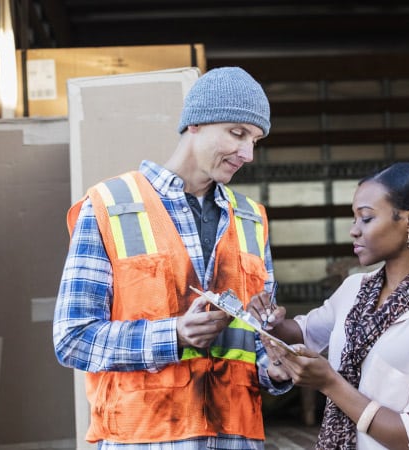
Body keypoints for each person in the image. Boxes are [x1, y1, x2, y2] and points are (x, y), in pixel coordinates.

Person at [53, 66, 292, 449]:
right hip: (143, 438)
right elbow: (73, 339)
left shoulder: (250, 219)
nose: (247, 153)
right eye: (237, 133)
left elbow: (254, 342)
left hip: (235, 438)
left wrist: (275, 367)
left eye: (256, 140)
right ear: (195, 124)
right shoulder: (111, 205)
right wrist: (174, 334)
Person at [249, 162, 409, 450]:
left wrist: (331, 383)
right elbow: (303, 333)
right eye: (354, 219)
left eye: (366, 218)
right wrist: (273, 323)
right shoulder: (354, 289)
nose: (353, 231)